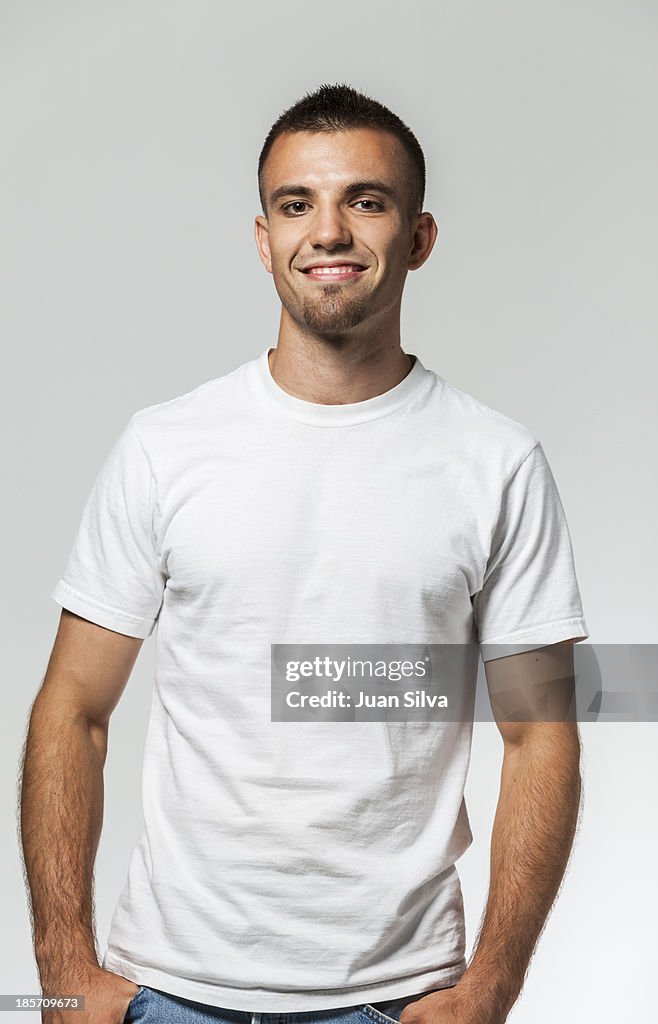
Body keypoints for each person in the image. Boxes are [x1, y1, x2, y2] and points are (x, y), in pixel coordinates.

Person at [19, 83, 589, 1024]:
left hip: (397, 999)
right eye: (297, 205)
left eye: (365, 201)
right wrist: (63, 965)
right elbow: (73, 708)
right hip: (165, 991)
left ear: (418, 237)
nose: (327, 231)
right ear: (262, 237)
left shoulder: (494, 463)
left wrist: (490, 987)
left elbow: (540, 736)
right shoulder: (166, 446)